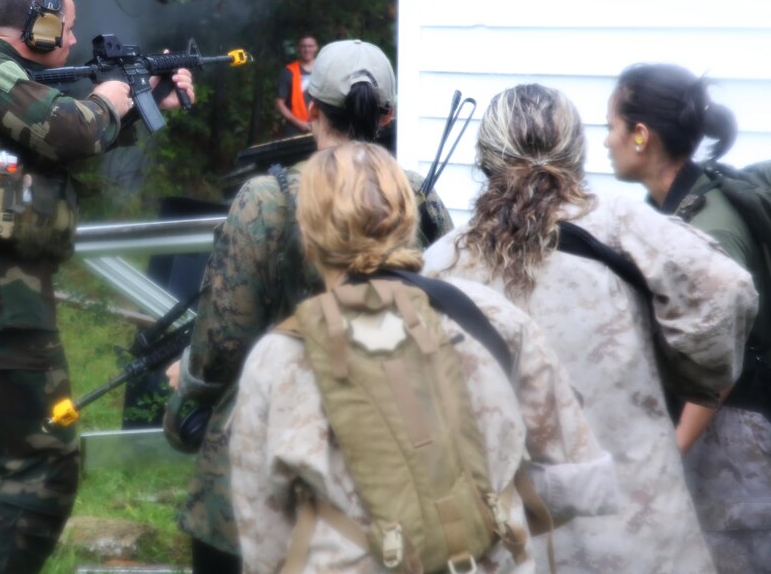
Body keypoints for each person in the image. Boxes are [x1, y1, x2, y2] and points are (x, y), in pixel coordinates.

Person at [230, 141, 617, 573]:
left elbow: (263, 534)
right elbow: (572, 477)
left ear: (308, 237)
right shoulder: (489, 316)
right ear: (407, 221)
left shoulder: (278, 358)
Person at [0, 0, 194, 573]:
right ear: (39, 24)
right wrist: (113, 94)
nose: (71, 39)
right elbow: (69, 127)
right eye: (64, 26)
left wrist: (142, 102)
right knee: (46, 461)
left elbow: (52, 141)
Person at [422, 83, 758, 574]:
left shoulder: (443, 261)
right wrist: (685, 378)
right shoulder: (625, 227)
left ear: (485, 158)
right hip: (635, 530)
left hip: (510, 537)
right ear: (574, 152)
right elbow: (726, 289)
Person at [166, 40, 454, 572]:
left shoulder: (266, 198)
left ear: (312, 111)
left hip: (265, 456)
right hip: (393, 448)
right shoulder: (419, 197)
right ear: (386, 115)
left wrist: (188, 393)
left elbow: (224, 341)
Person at [606, 62, 771, 572]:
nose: (605, 142)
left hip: (733, 444)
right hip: (714, 433)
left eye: (610, 127)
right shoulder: (672, 212)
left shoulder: (708, 229)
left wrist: (668, 454)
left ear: (640, 135)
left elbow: (718, 360)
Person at [274, 34, 319, 136]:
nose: (307, 49)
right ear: (298, 48)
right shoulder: (289, 71)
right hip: (296, 128)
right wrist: (298, 122)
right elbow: (279, 103)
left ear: (316, 47)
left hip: (322, 127)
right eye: (303, 46)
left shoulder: (324, 69)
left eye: (310, 46)